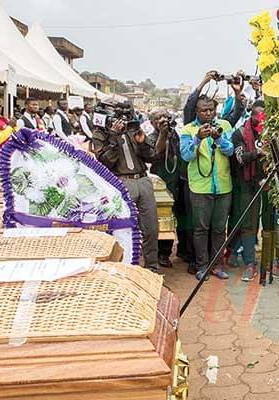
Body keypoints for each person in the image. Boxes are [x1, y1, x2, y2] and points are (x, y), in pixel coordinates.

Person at [92, 101, 159, 272]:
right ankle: (127, 268)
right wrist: (114, 138)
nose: (122, 120)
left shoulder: (133, 128)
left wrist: (143, 143)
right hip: (120, 182)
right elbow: (104, 162)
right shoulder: (100, 134)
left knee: (151, 227)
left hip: (143, 180)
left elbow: (151, 157)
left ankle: (152, 267)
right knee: (124, 229)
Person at [180, 97, 236, 281]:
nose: (208, 113)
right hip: (200, 187)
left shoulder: (224, 125)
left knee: (220, 229)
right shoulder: (188, 129)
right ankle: (202, 266)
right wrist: (197, 138)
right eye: (204, 110)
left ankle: (217, 265)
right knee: (201, 229)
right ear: (196, 111)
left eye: (211, 110)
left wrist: (218, 139)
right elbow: (186, 156)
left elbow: (230, 151)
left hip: (223, 186)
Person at [229, 100, 268, 282]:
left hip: (268, 181)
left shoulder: (270, 132)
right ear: (251, 115)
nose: (260, 120)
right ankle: (250, 263)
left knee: (270, 223)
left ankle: (273, 262)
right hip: (246, 184)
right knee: (248, 224)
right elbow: (240, 158)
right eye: (257, 116)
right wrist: (259, 153)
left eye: (264, 117)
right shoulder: (239, 134)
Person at [149, 108, 189, 269]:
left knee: (181, 215)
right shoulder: (151, 137)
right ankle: (163, 253)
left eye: (165, 116)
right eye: (159, 117)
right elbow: (156, 152)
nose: (163, 119)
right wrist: (162, 134)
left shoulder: (174, 134)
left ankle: (183, 248)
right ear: (152, 122)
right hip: (162, 182)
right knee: (165, 218)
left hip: (178, 180)